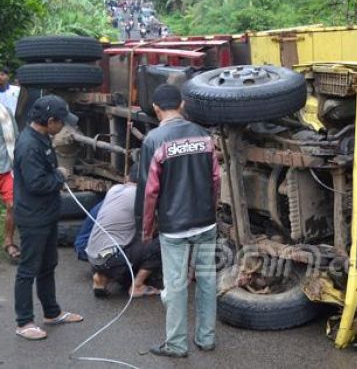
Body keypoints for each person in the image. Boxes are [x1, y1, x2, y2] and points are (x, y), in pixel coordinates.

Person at [135, 84, 220, 358]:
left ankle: (176, 344)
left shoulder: (154, 140)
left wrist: (146, 228)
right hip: (206, 223)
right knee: (207, 281)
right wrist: (212, 210)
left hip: (174, 228)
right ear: (182, 105)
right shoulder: (204, 135)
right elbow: (216, 179)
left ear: (156, 109)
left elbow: (149, 191)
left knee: (176, 285)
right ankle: (206, 339)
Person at [13, 95, 83, 340]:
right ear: (50, 120)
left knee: (47, 265)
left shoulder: (42, 138)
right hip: (33, 217)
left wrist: (55, 173)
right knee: (28, 270)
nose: (64, 126)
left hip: (46, 213)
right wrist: (60, 176)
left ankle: (52, 313)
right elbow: (36, 183)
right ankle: (24, 322)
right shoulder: (29, 145)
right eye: (61, 121)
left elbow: (43, 174)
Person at [86, 163, 161, 298]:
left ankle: (101, 277)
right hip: (113, 258)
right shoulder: (141, 196)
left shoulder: (114, 189)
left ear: (127, 177)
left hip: (93, 256)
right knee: (161, 241)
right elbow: (150, 229)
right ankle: (137, 285)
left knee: (125, 238)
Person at [0, 101, 18, 261]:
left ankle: (9, 241)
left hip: (6, 167)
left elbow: (16, 139)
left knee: (12, 205)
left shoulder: (5, 112)